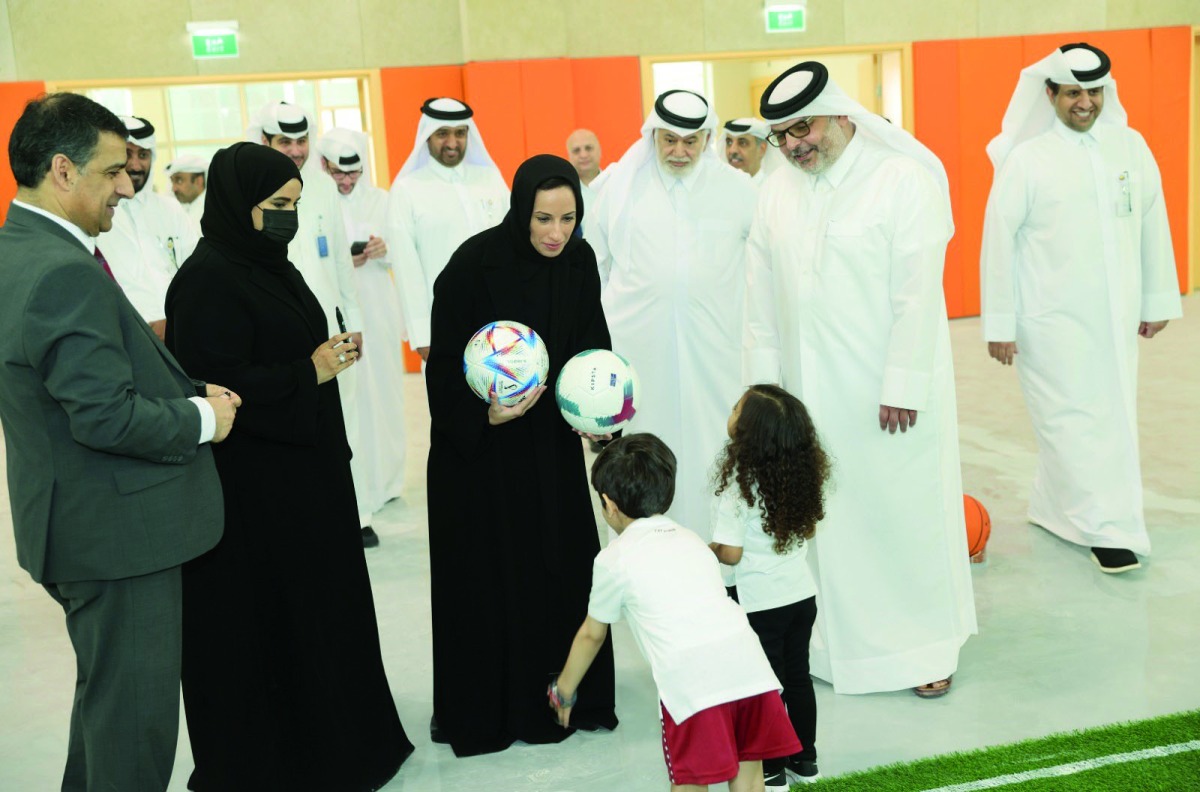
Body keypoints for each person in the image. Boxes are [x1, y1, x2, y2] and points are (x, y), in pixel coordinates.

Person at [0, 93, 235, 792]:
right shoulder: (63, 271)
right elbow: (103, 416)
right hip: (116, 535)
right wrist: (201, 418)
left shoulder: (23, 246)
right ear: (64, 171)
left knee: (108, 712)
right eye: (113, 172)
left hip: (79, 522)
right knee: (135, 728)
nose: (128, 187)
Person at [164, 142, 413, 790]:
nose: (288, 218)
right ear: (237, 203)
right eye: (276, 206)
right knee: (280, 624)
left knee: (325, 616)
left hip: (311, 479)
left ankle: (341, 740)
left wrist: (322, 356)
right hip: (259, 497)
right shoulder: (206, 280)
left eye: (296, 205)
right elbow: (217, 385)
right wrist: (311, 369)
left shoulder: (271, 264)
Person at [746, 61, 976, 697]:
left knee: (901, 516)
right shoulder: (775, 193)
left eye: (804, 127)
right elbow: (758, 297)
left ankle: (921, 649)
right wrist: (765, 391)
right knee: (821, 521)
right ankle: (830, 646)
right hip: (808, 398)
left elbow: (918, 295)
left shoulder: (901, 181)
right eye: (781, 135)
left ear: (842, 114)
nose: (795, 145)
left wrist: (902, 384)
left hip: (887, 399)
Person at [425, 154, 618, 756]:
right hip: (480, 458)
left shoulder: (580, 262)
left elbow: (592, 343)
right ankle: (486, 708)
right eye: (542, 218)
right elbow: (442, 373)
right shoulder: (471, 266)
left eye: (568, 218)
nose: (555, 233)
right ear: (520, 211)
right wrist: (483, 415)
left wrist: (599, 412)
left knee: (557, 566)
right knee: (489, 578)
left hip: (550, 449)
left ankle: (563, 695)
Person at [980, 42, 1182, 574]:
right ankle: (1106, 529)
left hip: (1114, 318)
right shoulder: (1027, 160)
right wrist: (1000, 322)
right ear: (1050, 95)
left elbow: (1153, 222)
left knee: (1109, 417)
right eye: (1073, 92)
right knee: (1070, 421)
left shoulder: (1130, 147)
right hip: (1049, 320)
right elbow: (997, 241)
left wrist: (1157, 298)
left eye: (1094, 91)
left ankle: (1055, 510)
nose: (1085, 102)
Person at [550, 433, 800, 792]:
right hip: (750, 670)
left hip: (691, 685)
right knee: (749, 780)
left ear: (609, 504)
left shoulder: (613, 560)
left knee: (690, 783)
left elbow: (592, 633)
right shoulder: (692, 540)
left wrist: (564, 690)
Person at [589, 89, 756, 547]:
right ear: (652, 136)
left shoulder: (737, 189)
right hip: (639, 350)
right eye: (669, 140)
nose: (679, 152)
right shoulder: (617, 186)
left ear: (707, 138)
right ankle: (644, 548)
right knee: (643, 444)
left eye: (691, 141)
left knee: (716, 444)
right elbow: (594, 268)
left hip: (716, 349)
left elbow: (762, 264)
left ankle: (714, 542)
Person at [252, 101, 378, 546]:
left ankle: (356, 512)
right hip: (278, 330)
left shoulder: (322, 188)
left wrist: (355, 318)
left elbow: (341, 261)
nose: (295, 150)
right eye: (285, 141)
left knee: (348, 423)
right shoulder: (252, 186)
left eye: (302, 140)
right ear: (265, 140)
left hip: (331, 326)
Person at [709, 385, 830, 788]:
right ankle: (804, 758)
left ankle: (771, 768)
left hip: (759, 604)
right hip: (800, 596)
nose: (730, 411)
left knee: (764, 688)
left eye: (735, 408)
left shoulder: (737, 488)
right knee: (798, 677)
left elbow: (730, 554)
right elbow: (808, 528)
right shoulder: (799, 476)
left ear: (749, 433)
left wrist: (705, 548)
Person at [316, 127, 408, 524]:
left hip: (377, 309)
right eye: (338, 172)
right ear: (323, 166)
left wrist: (383, 250)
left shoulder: (381, 199)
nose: (347, 181)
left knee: (385, 394)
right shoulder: (316, 200)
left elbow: (401, 253)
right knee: (351, 398)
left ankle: (387, 482)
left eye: (353, 173)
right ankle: (358, 482)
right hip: (337, 307)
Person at [387, 97, 509, 361]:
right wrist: (422, 335)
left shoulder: (490, 179)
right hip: (442, 324)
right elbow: (407, 270)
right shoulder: (407, 189)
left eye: (459, 133)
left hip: (500, 320)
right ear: (427, 136)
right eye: (442, 134)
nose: (452, 143)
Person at [97, 115, 198, 339]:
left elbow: (195, 271)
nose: (135, 165)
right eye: (127, 154)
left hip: (181, 331)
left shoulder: (170, 209)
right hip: (126, 335)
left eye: (143, 155)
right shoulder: (98, 213)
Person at [721, 118, 770, 184]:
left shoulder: (773, 189)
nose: (732, 150)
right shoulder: (720, 187)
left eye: (742, 143)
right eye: (729, 142)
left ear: (762, 149)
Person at [166, 152, 207, 229]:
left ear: (199, 181)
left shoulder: (211, 212)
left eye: (179, 181)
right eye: (172, 181)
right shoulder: (179, 209)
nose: (173, 188)